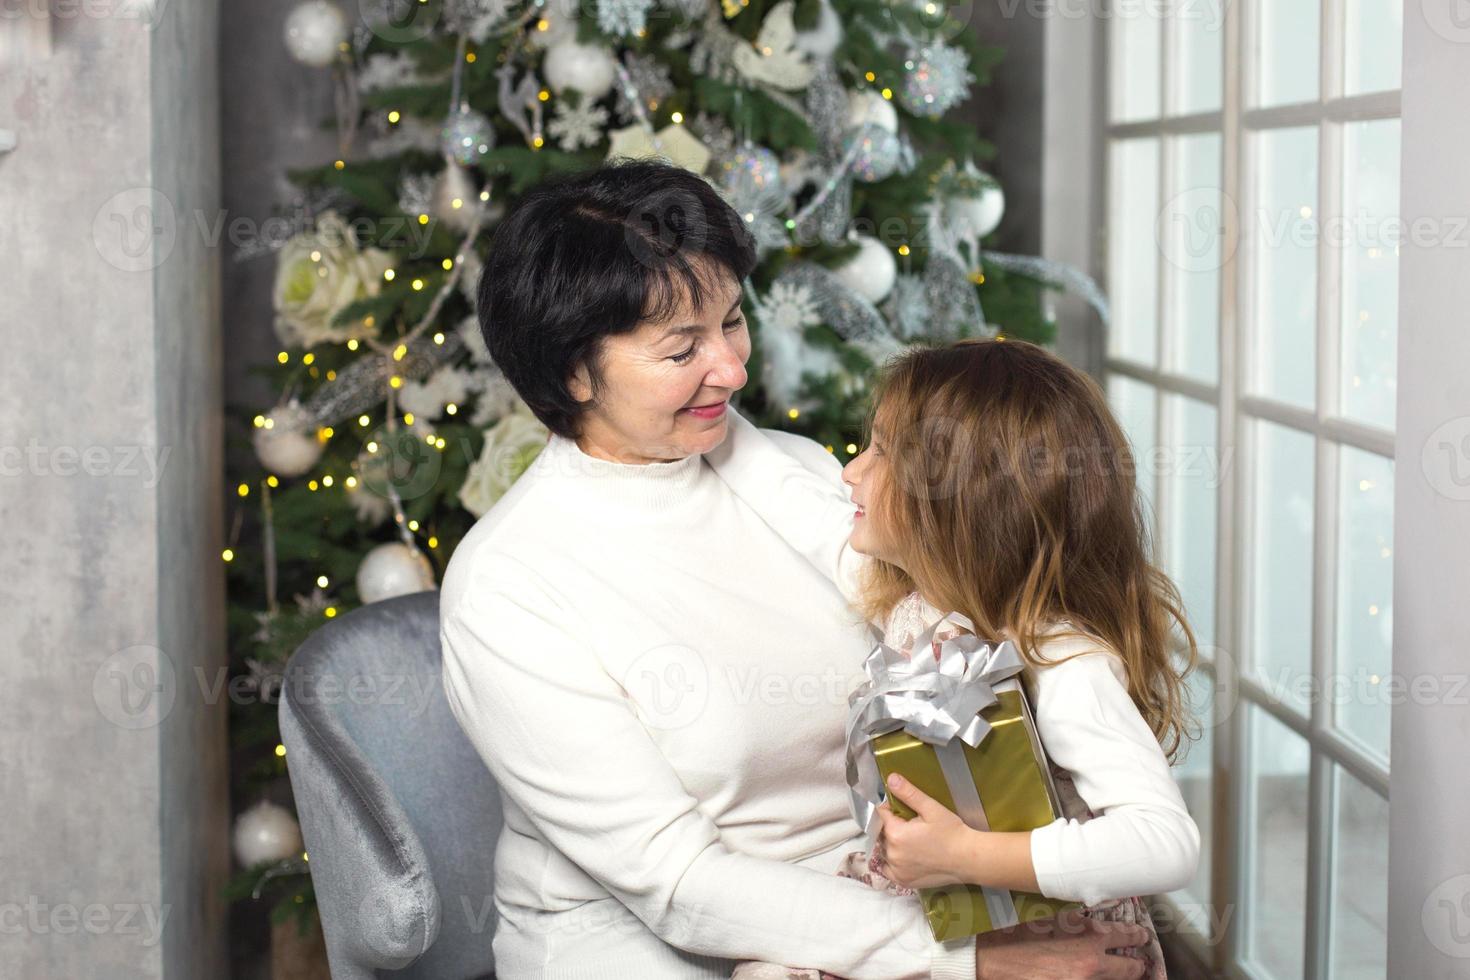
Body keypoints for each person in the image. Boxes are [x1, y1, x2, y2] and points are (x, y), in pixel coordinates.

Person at [440, 158, 1155, 979]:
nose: (733, 370)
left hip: (884, 887)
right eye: (683, 350)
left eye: (733, 323)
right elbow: (678, 884)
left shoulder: (802, 472)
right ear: (572, 372)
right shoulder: (507, 586)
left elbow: (961, 646)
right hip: (655, 941)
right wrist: (971, 961)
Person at [706, 338, 1204, 979]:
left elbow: (1165, 843)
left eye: (882, 451)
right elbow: (796, 507)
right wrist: (711, 407)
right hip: (954, 918)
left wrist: (969, 856)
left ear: (961, 497)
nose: (850, 472)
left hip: (1058, 948)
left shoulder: (1056, 656)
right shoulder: (917, 604)